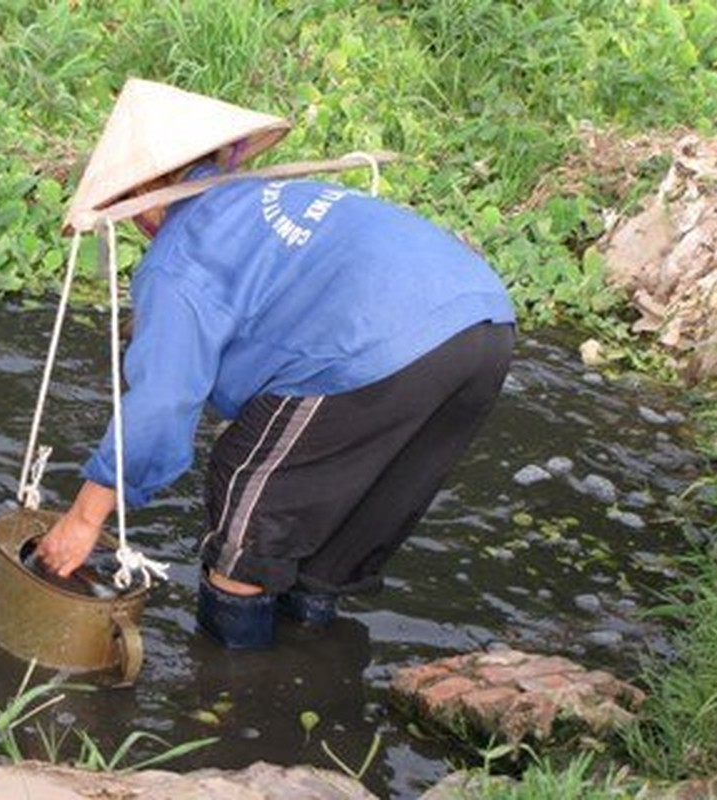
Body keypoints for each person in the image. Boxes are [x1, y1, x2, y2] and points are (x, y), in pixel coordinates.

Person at [37, 79, 514, 649]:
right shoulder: (264, 197)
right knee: (333, 534)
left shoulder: (179, 260)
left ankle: (231, 700)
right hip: (483, 323)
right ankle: (305, 672)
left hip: (370, 343)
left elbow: (162, 401)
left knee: (247, 511)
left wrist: (86, 516)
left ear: (137, 197)